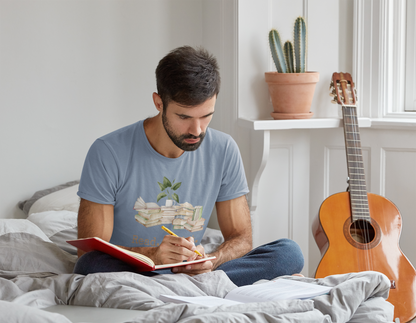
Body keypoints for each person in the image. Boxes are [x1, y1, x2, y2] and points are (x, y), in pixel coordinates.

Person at [73, 46, 304, 286]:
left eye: (206, 116)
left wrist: (211, 261)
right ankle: (200, 288)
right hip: (136, 269)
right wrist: (153, 256)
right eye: (184, 117)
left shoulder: (223, 149)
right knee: (90, 265)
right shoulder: (108, 152)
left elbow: (241, 239)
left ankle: (193, 285)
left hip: (196, 274)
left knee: (289, 253)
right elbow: (89, 251)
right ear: (158, 102)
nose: (197, 130)